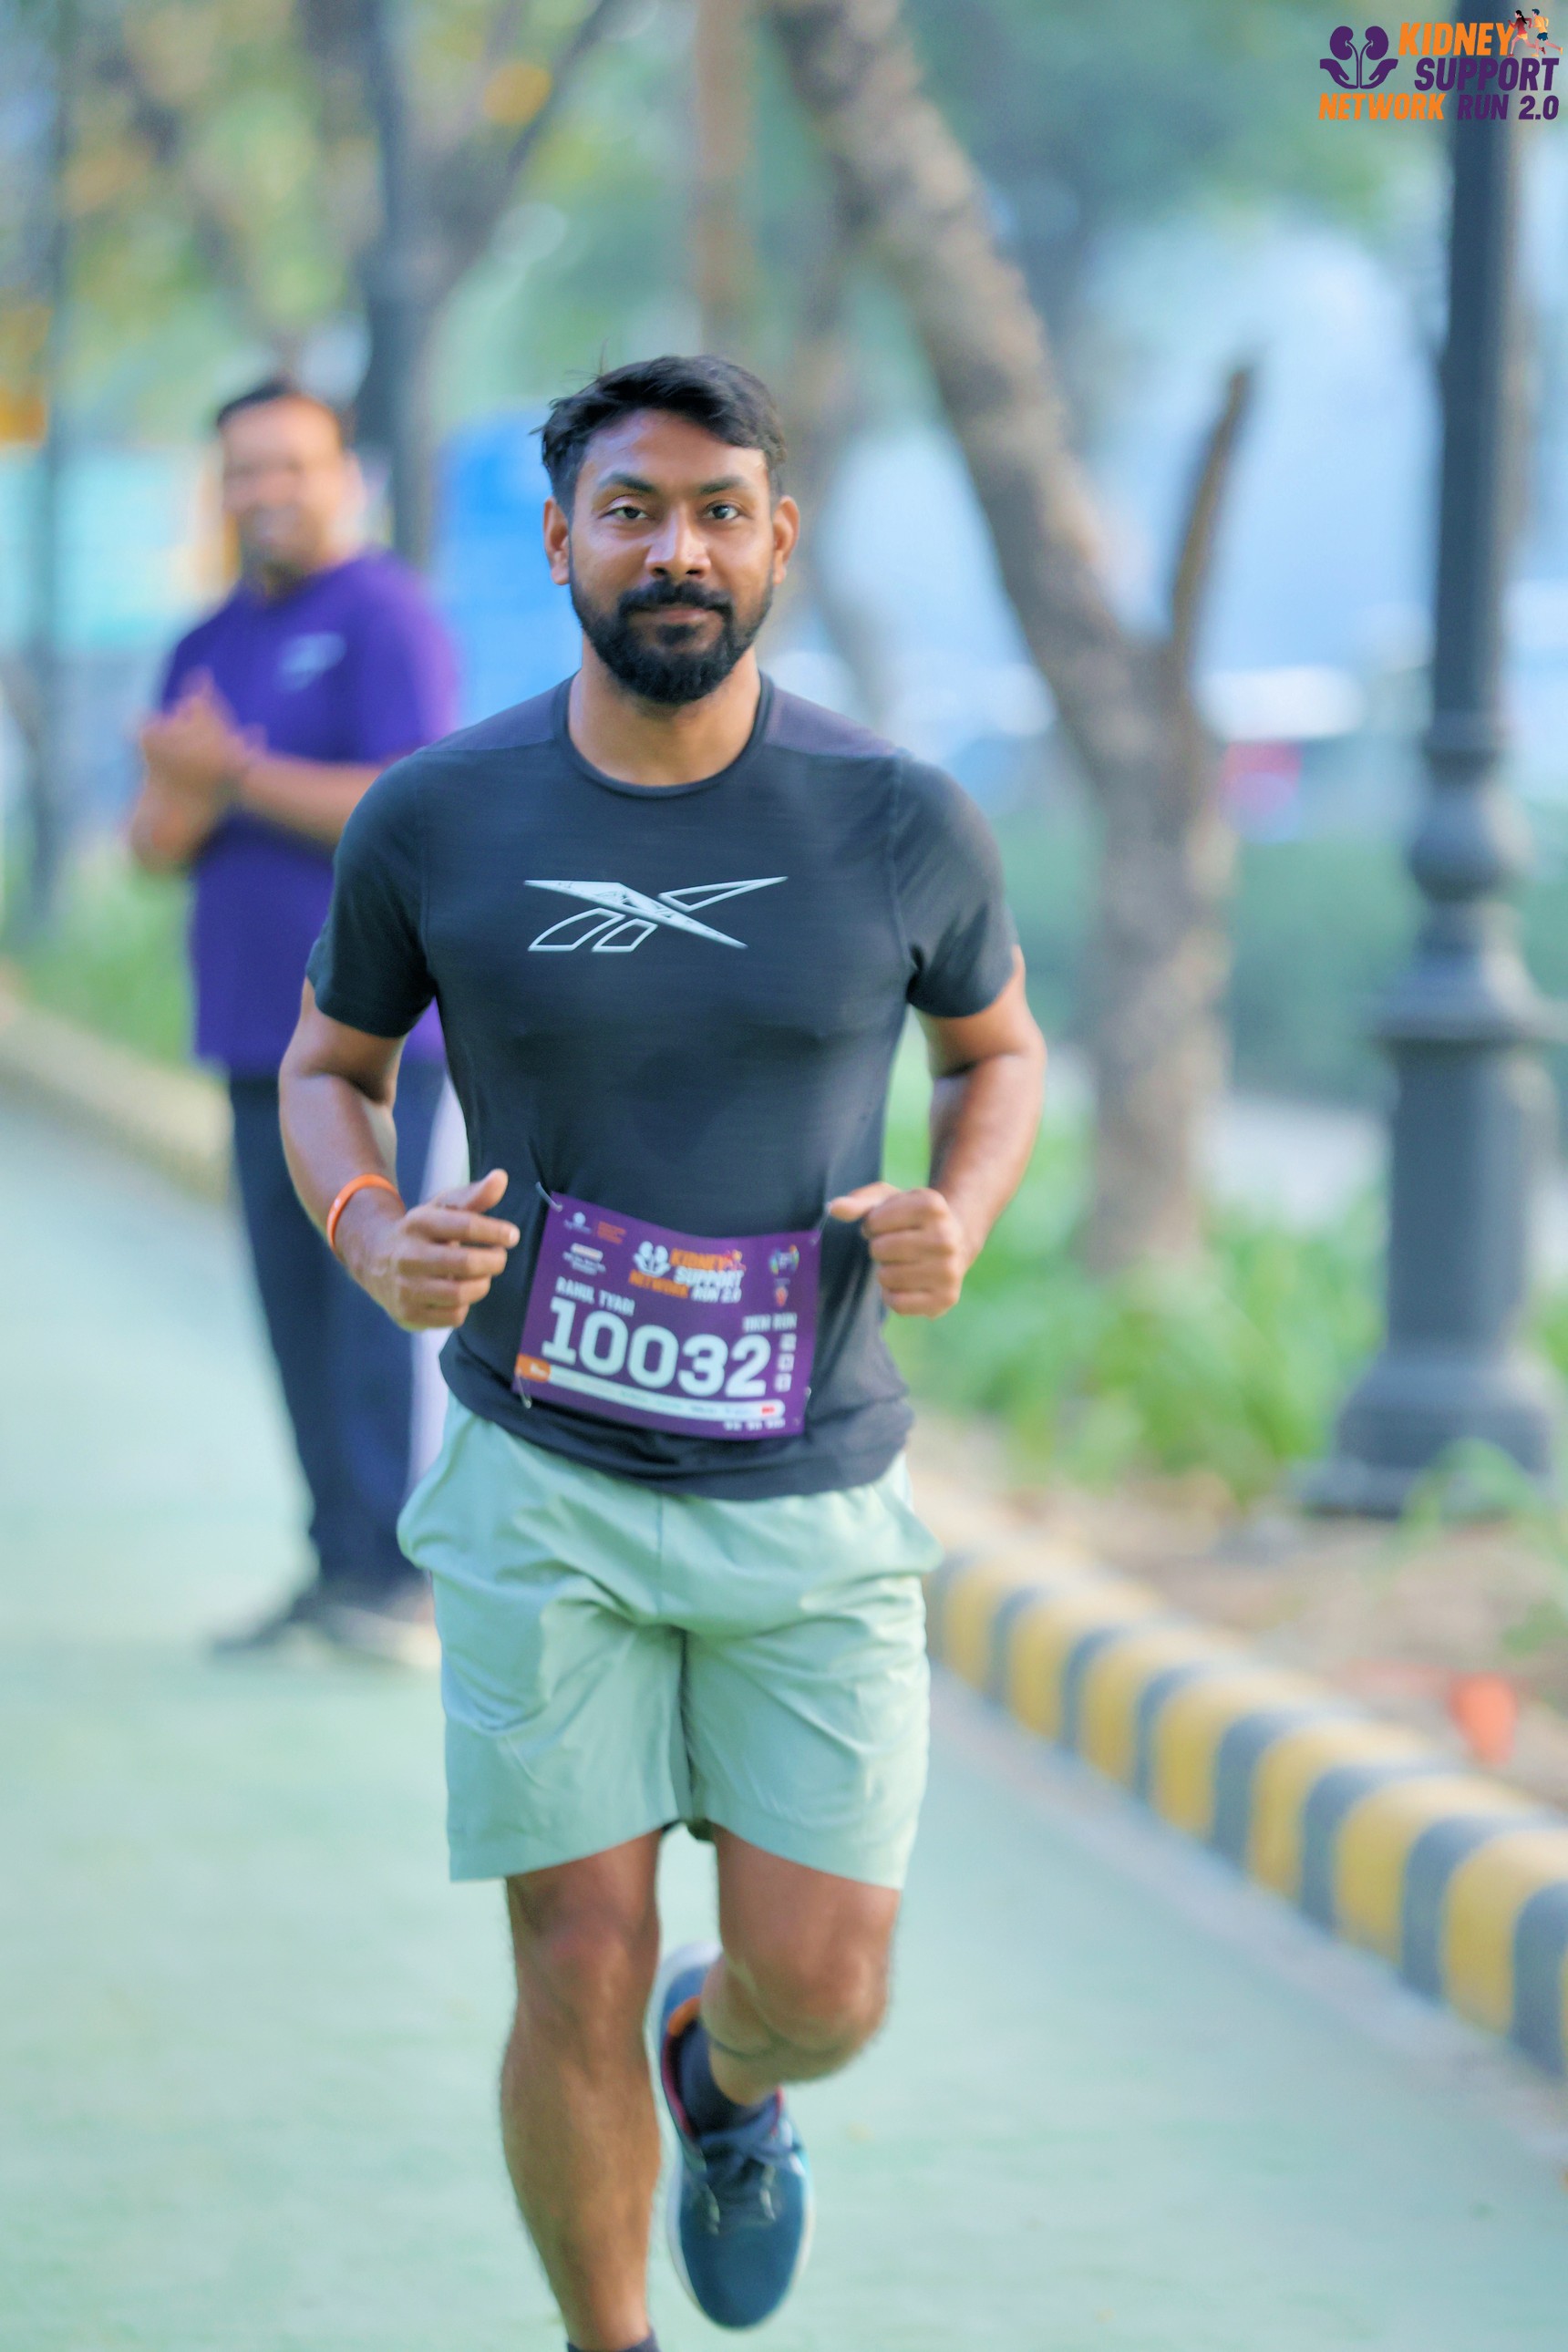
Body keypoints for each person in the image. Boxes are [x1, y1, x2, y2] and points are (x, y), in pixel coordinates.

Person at [278, 355, 1045, 2347]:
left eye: (717, 510)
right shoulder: (438, 815)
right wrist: (372, 1232)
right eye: (631, 510)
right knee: (573, 1959)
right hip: (541, 1470)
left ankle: (728, 2070)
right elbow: (327, 1068)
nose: (676, 548)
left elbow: (996, 1051)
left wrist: (958, 1207)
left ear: (778, 538)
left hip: (813, 1478)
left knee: (825, 1988)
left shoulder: (896, 818)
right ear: (560, 543)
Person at [130, 377, 459, 1666]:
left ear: (343, 478)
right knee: (289, 1314)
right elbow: (155, 839)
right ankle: (335, 1566)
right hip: (249, 1040)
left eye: (289, 465)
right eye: (242, 470)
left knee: (374, 1307)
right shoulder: (202, 642)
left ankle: (399, 1579)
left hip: (373, 1049)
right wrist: (182, 795)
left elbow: (407, 799)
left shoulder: (386, 617)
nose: (263, 491)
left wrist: (233, 775)